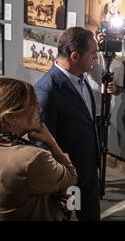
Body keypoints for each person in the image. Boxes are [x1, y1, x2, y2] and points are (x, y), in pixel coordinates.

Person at [35, 27, 100, 221]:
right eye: (93, 53)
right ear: (75, 56)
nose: (96, 57)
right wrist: (60, 179)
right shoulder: (47, 90)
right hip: (67, 181)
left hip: (88, 173)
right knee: (65, 217)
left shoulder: (82, 77)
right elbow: (43, 144)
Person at [0, 78, 77, 221]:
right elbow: (71, 178)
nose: (39, 109)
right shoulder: (33, 159)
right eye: (33, 104)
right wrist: (52, 143)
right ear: (11, 117)